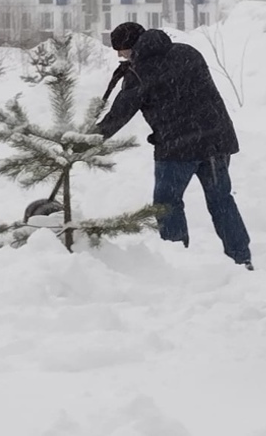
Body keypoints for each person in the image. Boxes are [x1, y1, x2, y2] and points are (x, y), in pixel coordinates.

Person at [94, 22, 253, 270]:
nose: (119, 55)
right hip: (216, 140)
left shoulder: (140, 71)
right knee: (221, 201)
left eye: (121, 50)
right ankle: (242, 258)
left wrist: (90, 139)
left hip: (179, 148)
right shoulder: (186, 52)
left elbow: (120, 112)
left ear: (130, 46)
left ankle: (178, 259)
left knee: (167, 203)